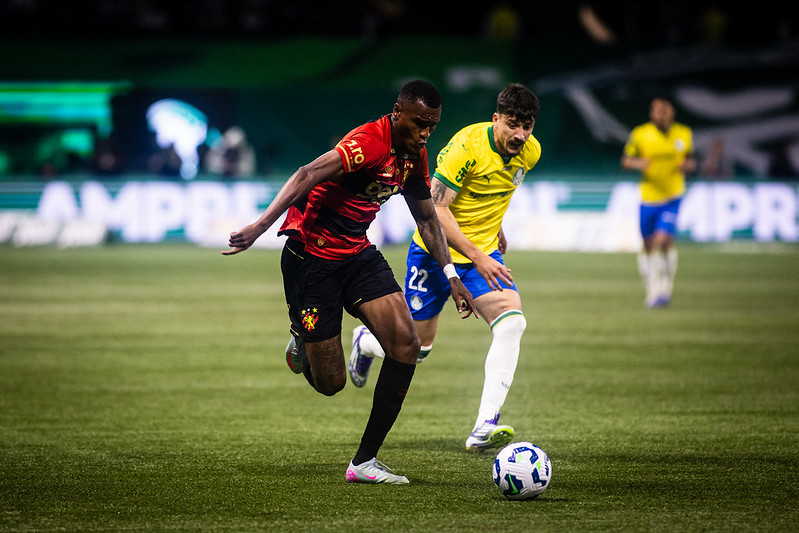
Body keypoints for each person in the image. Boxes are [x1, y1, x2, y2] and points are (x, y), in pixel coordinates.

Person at [222, 80, 477, 484]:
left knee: (407, 345)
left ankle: (364, 464)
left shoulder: (415, 157)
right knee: (331, 384)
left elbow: (427, 219)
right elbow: (306, 173)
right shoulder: (368, 143)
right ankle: (300, 337)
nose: (426, 132)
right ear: (398, 112)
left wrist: (452, 274)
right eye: (419, 123)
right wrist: (258, 228)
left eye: (432, 125)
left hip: (356, 254)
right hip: (312, 259)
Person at [349, 83, 542, 453]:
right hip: (434, 255)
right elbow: (436, 211)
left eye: (528, 126)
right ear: (496, 119)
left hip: (483, 255)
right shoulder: (465, 148)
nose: (520, 134)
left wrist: (493, 232)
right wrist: (477, 253)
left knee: (512, 323)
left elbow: (494, 192)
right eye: (513, 124)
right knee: (418, 348)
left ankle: (485, 425)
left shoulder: (529, 153)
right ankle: (366, 342)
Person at [621, 96, 695, 308]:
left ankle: (664, 286)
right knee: (647, 246)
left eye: (664, 110)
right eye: (657, 111)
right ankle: (651, 288)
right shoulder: (640, 134)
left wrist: (688, 165)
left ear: (672, 112)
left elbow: (690, 158)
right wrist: (637, 163)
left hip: (672, 196)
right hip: (648, 198)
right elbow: (625, 161)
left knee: (662, 241)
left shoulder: (684, 134)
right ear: (652, 113)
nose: (660, 114)